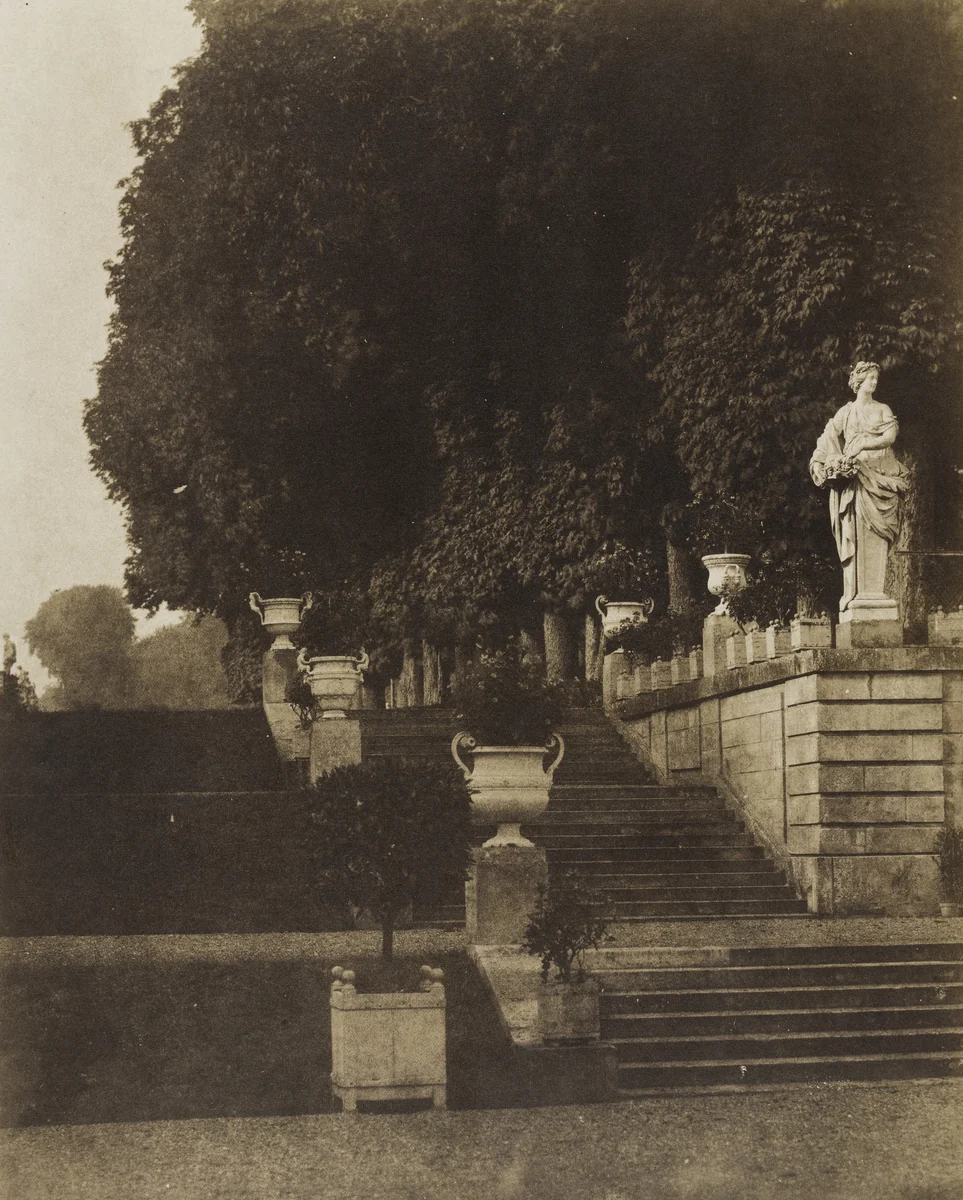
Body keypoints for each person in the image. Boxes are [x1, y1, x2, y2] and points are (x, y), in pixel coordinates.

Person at [809, 361, 907, 613]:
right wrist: (821, 464)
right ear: (859, 382)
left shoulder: (882, 409)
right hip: (856, 479)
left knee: (879, 535)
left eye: (876, 378)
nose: (874, 382)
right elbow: (827, 437)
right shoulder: (847, 412)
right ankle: (858, 597)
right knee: (857, 532)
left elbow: (889, 437)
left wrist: (863, 446)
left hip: (881, 476)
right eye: (870, 378)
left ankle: (874, 595)